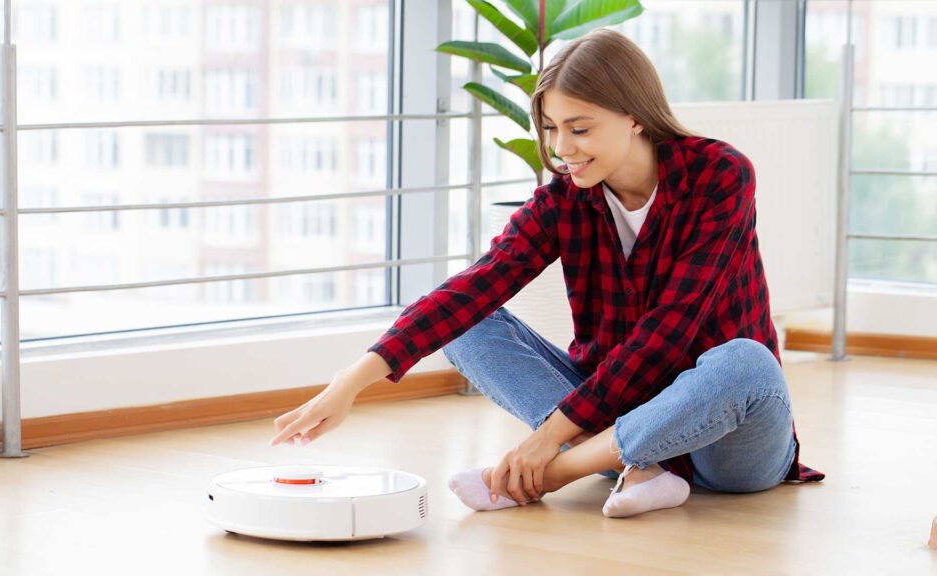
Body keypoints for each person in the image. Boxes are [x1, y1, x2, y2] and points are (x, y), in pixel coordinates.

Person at [269, 28, 824, 518]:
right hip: (609, 418)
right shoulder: (563, 201)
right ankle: (639, 468)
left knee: (745, 361)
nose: (562, 150)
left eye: (579, 129)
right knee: (468, 320)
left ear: (634, 115)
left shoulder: (719, 174)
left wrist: (548, 447)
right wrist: (349, 384)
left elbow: (672, 328)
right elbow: (474, 288)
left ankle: (557, 473)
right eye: (552, 129)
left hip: (728, 450)